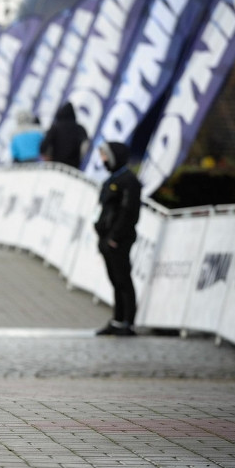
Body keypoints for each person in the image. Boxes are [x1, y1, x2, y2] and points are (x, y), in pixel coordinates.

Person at [94, 141, 141, 336]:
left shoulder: (128, 181)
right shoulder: (112, 179)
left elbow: (129, 212)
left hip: (118, 239)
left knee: (123, 279)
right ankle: (117, 319)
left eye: (105, 156)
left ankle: (128, 322)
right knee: (115, 280)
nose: (103, 160)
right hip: (107, 238)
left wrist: (115, 236)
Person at [40, 101, 88, 168]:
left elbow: (44, 146)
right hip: (73, 167)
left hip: (56, 165)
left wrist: (47, 157)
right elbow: (86, 147)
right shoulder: (80, 129)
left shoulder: (55, 127)